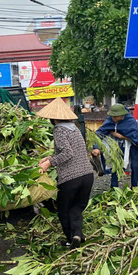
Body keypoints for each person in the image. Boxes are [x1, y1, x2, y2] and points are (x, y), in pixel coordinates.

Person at [37, 98, 94, 249]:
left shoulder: (59, 130)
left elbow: (68, 153)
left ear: (53, 118)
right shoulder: (75, 128)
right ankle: (77, 235)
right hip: (87, 176)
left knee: (63, 209)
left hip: (71, 178)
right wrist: (49, 157)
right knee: (76, 207)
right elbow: (74, 151)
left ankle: (70, 239)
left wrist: (49, 163)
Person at [92, 103, 138, 188]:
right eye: (112, 116)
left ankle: (134, 187)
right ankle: (114, 188)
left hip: (133, 145)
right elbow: (99, 133)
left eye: (115, 117)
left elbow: (136, 137)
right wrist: (96, 147)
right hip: (119, 145)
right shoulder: (110, 120)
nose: (113, 118)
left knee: (135, 166)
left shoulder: (130, 121)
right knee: (117, 164)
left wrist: (121, 136)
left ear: (122, 115)